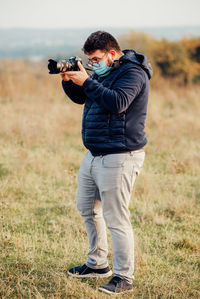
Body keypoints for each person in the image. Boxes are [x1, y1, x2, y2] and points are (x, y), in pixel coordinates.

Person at [60, 30, 153, 295]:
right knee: (88, 209)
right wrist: (69, 81)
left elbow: (118, 103)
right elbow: (84, 97)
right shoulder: (103, 73)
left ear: (113, 53)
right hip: (94, 154)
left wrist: (87, 82)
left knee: (116, 219)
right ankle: (97, 264)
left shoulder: (133, 73)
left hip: (120, 156)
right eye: (89, 60)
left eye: (97, 58)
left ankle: (124, 277)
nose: (93, 64)